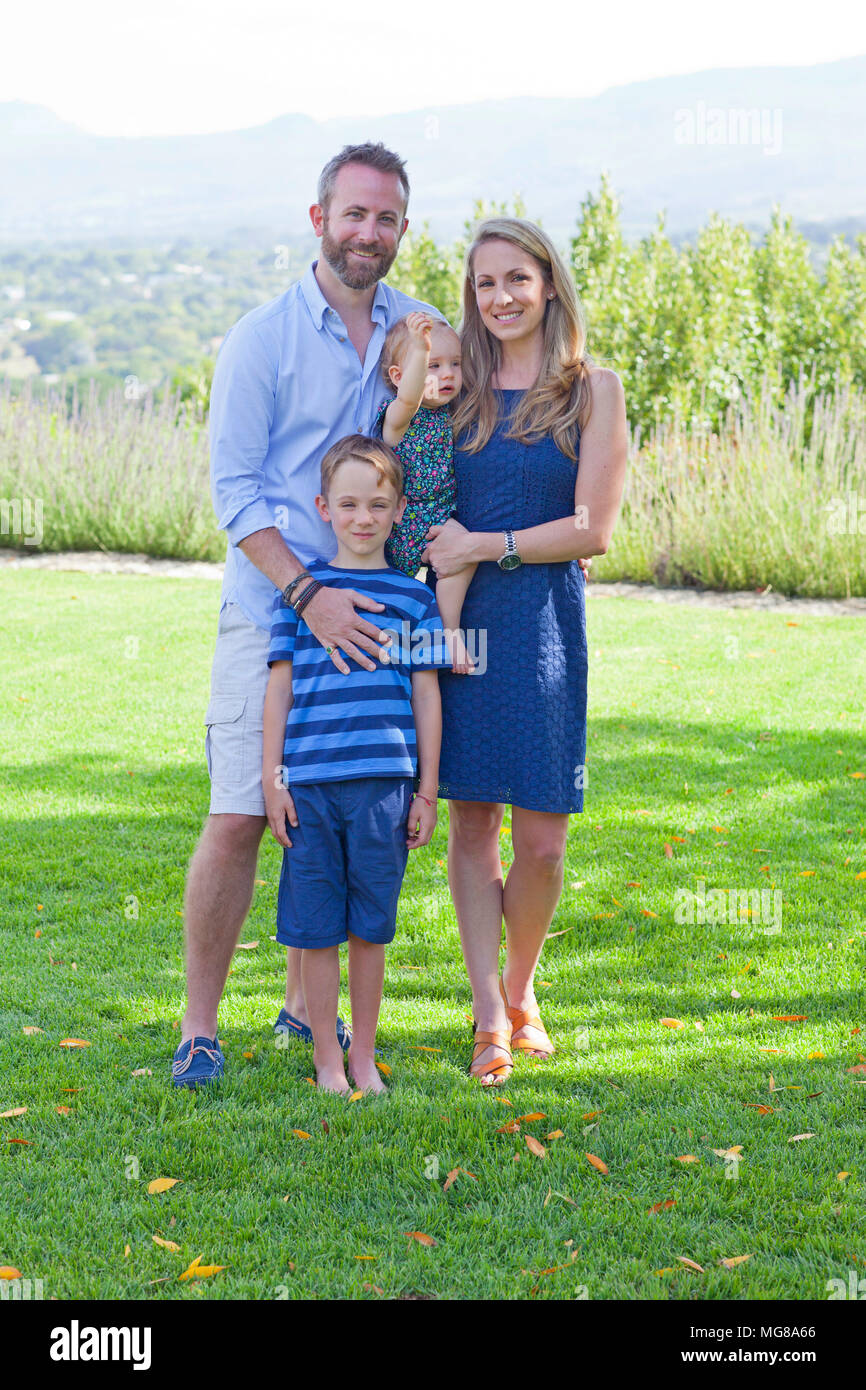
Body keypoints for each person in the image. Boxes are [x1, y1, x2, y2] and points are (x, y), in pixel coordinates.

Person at [172, 141, 446, 1089]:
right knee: (244, 812)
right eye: (354, 214)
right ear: (319, 217)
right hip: (276, 611)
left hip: (375, 621)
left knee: (346, 803)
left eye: (386, 219)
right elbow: (237, 494)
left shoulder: (420, 328)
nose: (368, 232)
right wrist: (309, 597)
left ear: (402, 231)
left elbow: (444, 425)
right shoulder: (262, 339)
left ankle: (306, 1012)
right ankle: (201, 1025)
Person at [422, 218, 628, 1086]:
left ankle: (520, 987)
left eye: (516, 279)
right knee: (474, 822)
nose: (499, 298)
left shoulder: (594, 390)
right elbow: (412, 485)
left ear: (549, 284)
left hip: (543, 623)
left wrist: (488, 544)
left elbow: (594, 528)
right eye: (482, 284)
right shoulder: (455, 387)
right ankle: (487, 1015)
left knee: (543, 840)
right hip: (461, 629)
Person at [261, 435, 451, 1094]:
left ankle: (363, 1058)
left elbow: (427, 695)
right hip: (309, 787)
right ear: (323, 508)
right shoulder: (302, 595)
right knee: (316, 930)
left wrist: (427, 790)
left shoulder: (413, 600)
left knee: (370, 926)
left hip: (385, 790)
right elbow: (278, 689)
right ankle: (324, 1060)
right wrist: (272, 779)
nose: (363, 518)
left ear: (399, 511)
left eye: (377, 504)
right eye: (348, 504)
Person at [373, 311, 475, 672]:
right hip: (405, 522)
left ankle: (448, 635)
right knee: (395, 593)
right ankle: (395, 648)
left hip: (439, 520)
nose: (447, 374)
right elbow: (412, 396)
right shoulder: (399, 416)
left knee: (461, 562)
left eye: (455, 364)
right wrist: (419, 349)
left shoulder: (453, 415)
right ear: (400, 377)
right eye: (433, 365)